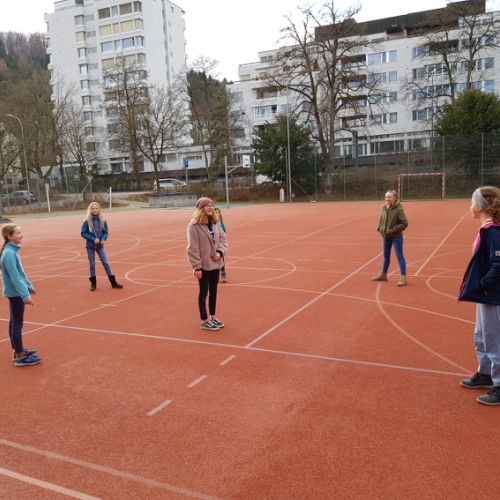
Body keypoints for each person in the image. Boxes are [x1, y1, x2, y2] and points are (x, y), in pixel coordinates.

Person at [459, 186, 500, 406]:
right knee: (481, 335)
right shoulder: (486, 229)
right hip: (485, 295)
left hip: (492, 295)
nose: (470, 206)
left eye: (472, 202)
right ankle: (485, 373)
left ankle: (499, 385)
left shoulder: (494, 232)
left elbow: (498, 264)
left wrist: (483, 284)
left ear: (481, 206)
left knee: (494, 338)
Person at [0, 224, 42, 366]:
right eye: (18, 233)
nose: (21, 235)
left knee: (14, 321)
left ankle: (17, 351)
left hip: (16, 292)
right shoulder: (9, 253)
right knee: (17, 323)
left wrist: (28, 287)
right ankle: (20, 355)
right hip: (16, 294)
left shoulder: (10, 251)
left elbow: (20, 274)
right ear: (9, 236)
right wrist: (25, 296)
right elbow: (15, 277)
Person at [187, 197, 227, 331]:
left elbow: (223, 239)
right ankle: (204, 321)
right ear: (201, 209)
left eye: (211, 205)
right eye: (207, 205)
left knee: (213, 291)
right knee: (203, 292)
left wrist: (220, 252)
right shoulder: (194, 226)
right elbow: (192, 248)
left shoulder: (215, 222)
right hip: (203, 265)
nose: (210, 207)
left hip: (215, 263)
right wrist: (196, 267)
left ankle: (213, 317)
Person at [81, 202, 123, 291]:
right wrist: (93, 239)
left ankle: (113, 282)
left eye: (96, 208)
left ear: (99, 209)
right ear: (90, 210)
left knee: (106, 263)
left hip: (100, 246)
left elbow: (105, 232)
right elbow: (83, 233)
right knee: (92, 264)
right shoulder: (87, 221)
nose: (94, 210)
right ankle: (93, 283)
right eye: (93, 208)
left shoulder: (103, 221)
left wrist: (103, 239)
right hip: (90, 246)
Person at [372, 190, 409, 286]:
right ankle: (383, 275)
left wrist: (393, 230)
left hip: (396, 236)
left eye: (389, 197)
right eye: (386, 197)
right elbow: (382, 220)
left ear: (395, 198)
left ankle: (403, 278)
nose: (387, 199)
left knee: (399, 256)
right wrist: (380, 228)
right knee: (386, 256)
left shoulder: (398, 209)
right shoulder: (383, 208)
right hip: (386, 236)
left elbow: (404, 223)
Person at [214, 207, 227, 283]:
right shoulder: (212, 222)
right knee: (213, 260)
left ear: (220, 214)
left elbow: (224, 233)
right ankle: (214, 276)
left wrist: (222, 243)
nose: (216, 213)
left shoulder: (221, 223)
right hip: (213, 244)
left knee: (221, 260)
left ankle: (223, 274)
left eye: (218, 212)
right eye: (215, 212)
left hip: (219, 245)